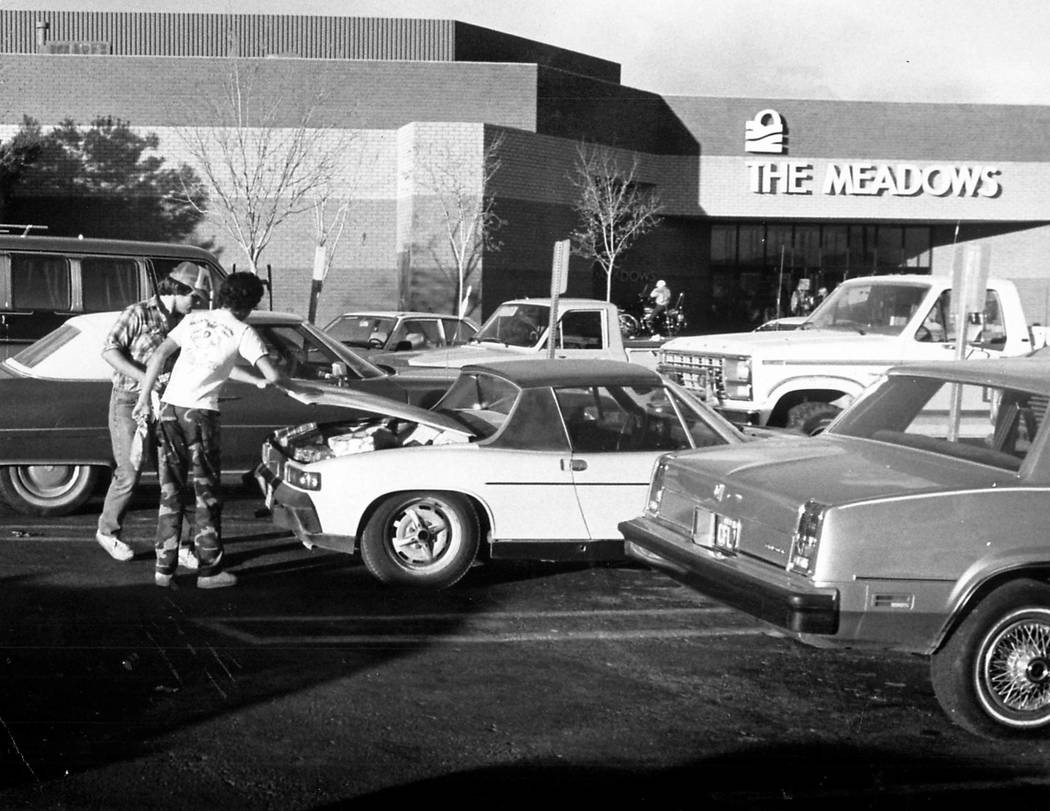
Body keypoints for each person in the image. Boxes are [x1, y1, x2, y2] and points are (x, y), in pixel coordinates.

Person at [132, 272, 309, 589]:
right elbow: (274, 375)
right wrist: (297, 386)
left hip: (170, 410)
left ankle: (164, 569)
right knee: (206, 495)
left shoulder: (195, 320)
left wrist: (144, 399)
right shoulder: (244, 332)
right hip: (201, 417)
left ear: (222, 295)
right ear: (250, 305)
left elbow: (168, 356)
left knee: (170, 492)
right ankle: (209, 572)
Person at [95, 262, 209, 563]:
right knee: (130, 471)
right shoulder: (138, 313)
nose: (196, 304)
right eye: (193, 297)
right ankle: (108, 532)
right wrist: (144, 378)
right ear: (179, 290)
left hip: (167, 403)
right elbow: (109, 349)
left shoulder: (185, 323)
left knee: (172, 474)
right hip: (128, 402)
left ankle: (178, 545)